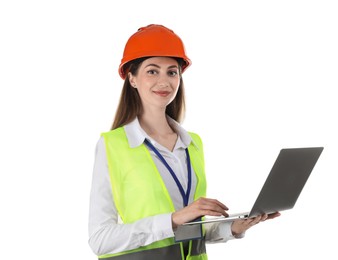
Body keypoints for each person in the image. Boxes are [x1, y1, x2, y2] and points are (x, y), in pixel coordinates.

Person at [88, 24, 280, 260]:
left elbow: (188, 232)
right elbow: (100, 240)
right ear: (132, 78)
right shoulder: (112, 145)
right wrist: (173, 219)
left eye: (172, 72)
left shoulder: (192, 144)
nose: (164, 81)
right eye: (152, 71)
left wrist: (232, 228)